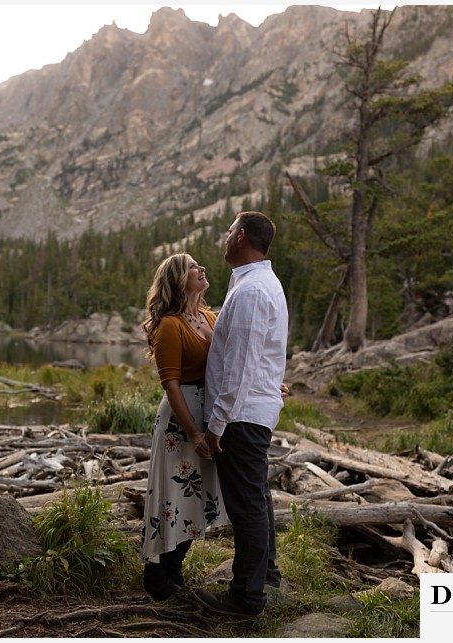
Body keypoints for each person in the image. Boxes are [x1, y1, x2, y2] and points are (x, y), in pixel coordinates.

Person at [194, 211, 289, 617]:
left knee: (247, 504)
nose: (225, 236)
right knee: (257, 498)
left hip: (242, 414)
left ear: (242, 236)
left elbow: (242, 364)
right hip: (250, 410)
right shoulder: (255, 284)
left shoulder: (251, 291)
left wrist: (217, 422)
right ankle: (266, 574)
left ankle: (246, 598)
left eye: (230, 230)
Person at [138, 253, 228, 601]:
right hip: (181, 421)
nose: (201, 269)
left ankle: (175, 566)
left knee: (200, 495)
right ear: (177, 279)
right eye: (192, 266)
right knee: (174, 495)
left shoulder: (208, 316)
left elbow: (233, 360)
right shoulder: (170, 324)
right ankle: (157, 573)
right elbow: (171, 384)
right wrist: (193, 431)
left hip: (209, 414)